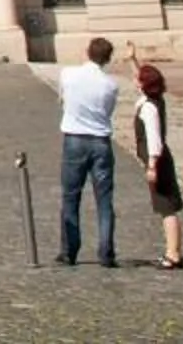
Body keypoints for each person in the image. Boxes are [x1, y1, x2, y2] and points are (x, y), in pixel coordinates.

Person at [58, 34, 122, 267]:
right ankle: (106, 252)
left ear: (87, 52)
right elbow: (108, 111)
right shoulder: (111, 84)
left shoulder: (68, 74)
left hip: (74, 140)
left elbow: (62, 101)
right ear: (107, 59)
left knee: (70, 196)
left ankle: (69, 251)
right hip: (101, 142)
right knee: (104, 200)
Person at [135, 63, 183, 268]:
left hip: (158, 161)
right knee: (166, 207)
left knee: (166, 208)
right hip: (159, 160)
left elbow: (154, 138)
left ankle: (173, 254)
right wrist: (134, 60)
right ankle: (172, 251)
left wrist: (152, 165)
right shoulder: (155, 99)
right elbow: (141, 78)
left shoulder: (149, 107)